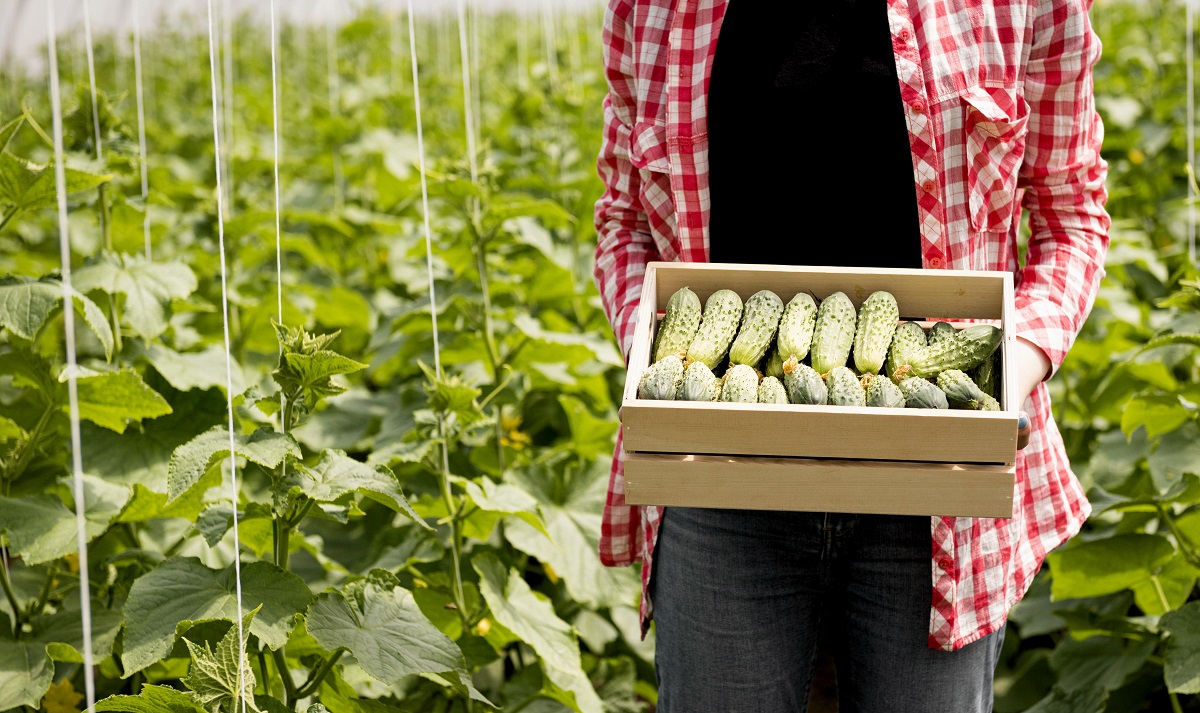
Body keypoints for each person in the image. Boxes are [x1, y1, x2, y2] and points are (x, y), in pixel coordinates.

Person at [591, 0, 1110, 711]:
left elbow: (1071, 216)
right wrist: (657, 358)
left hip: (938, 490)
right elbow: (623, 227)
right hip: (718, 470)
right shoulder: (653, 10)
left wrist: (1007, 373)